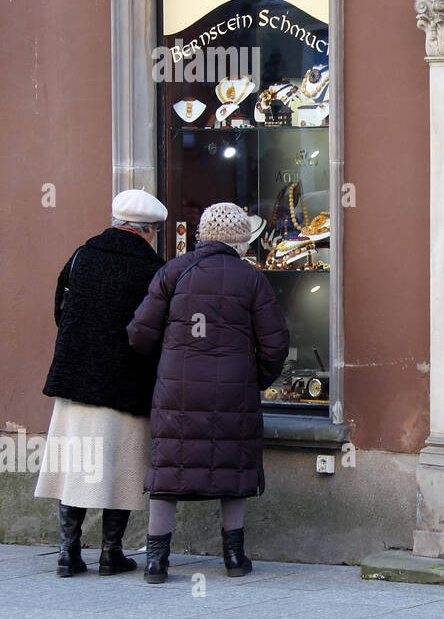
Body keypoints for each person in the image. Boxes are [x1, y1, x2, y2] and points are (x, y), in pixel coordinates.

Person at [127, 202, 289, 584]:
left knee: (168, 473)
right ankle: (234, 558)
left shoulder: (173, 271)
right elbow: (276, 343)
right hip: (233, 391)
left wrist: (168, 365)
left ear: (202, 235)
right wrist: (255, 380)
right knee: (233, 469)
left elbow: (139, 334)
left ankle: (155, 562)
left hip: (176, 391)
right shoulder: (251, 279)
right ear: (241, 241)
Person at [36, 188, 167, 576]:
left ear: (116, 222)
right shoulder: (153, 268)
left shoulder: (81, 256)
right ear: (148, 230)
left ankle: (67, 552)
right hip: (127, 381)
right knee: (123, 468)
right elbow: (154, 328)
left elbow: (61, 309)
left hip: (76, 379)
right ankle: (112, 553)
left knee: (74, 466)